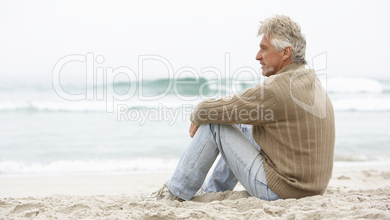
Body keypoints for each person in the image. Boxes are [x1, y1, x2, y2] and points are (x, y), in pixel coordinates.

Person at [141, 15, 335, 201]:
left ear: (285, 52)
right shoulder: (310, 80)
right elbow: (239, 109)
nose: (257, 56)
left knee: (215, 124)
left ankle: (175, 193)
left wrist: (198, 113)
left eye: (264, 49)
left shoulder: (278, 89)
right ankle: (212, 190)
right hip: (310, 187)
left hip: (283, 190)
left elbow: (214, 110)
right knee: (241, 125)